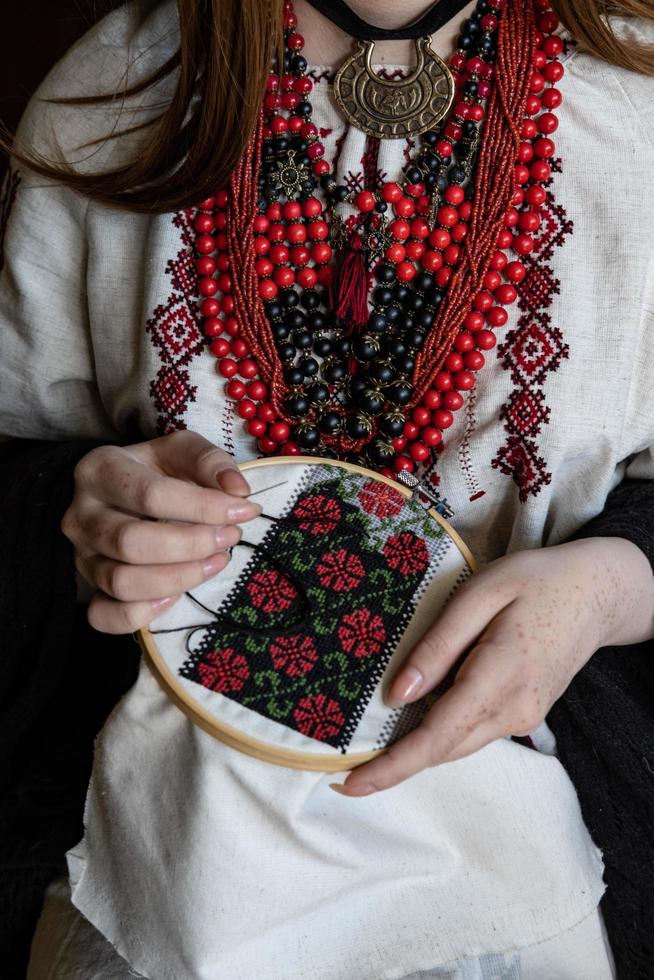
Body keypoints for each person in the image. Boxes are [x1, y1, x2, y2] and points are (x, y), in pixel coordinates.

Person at [1, 0, 654, 976]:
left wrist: (611, 587)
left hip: (549, 855)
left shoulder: (635, 102)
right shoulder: (117, 91)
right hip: (156, 855)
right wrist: (78, 501)